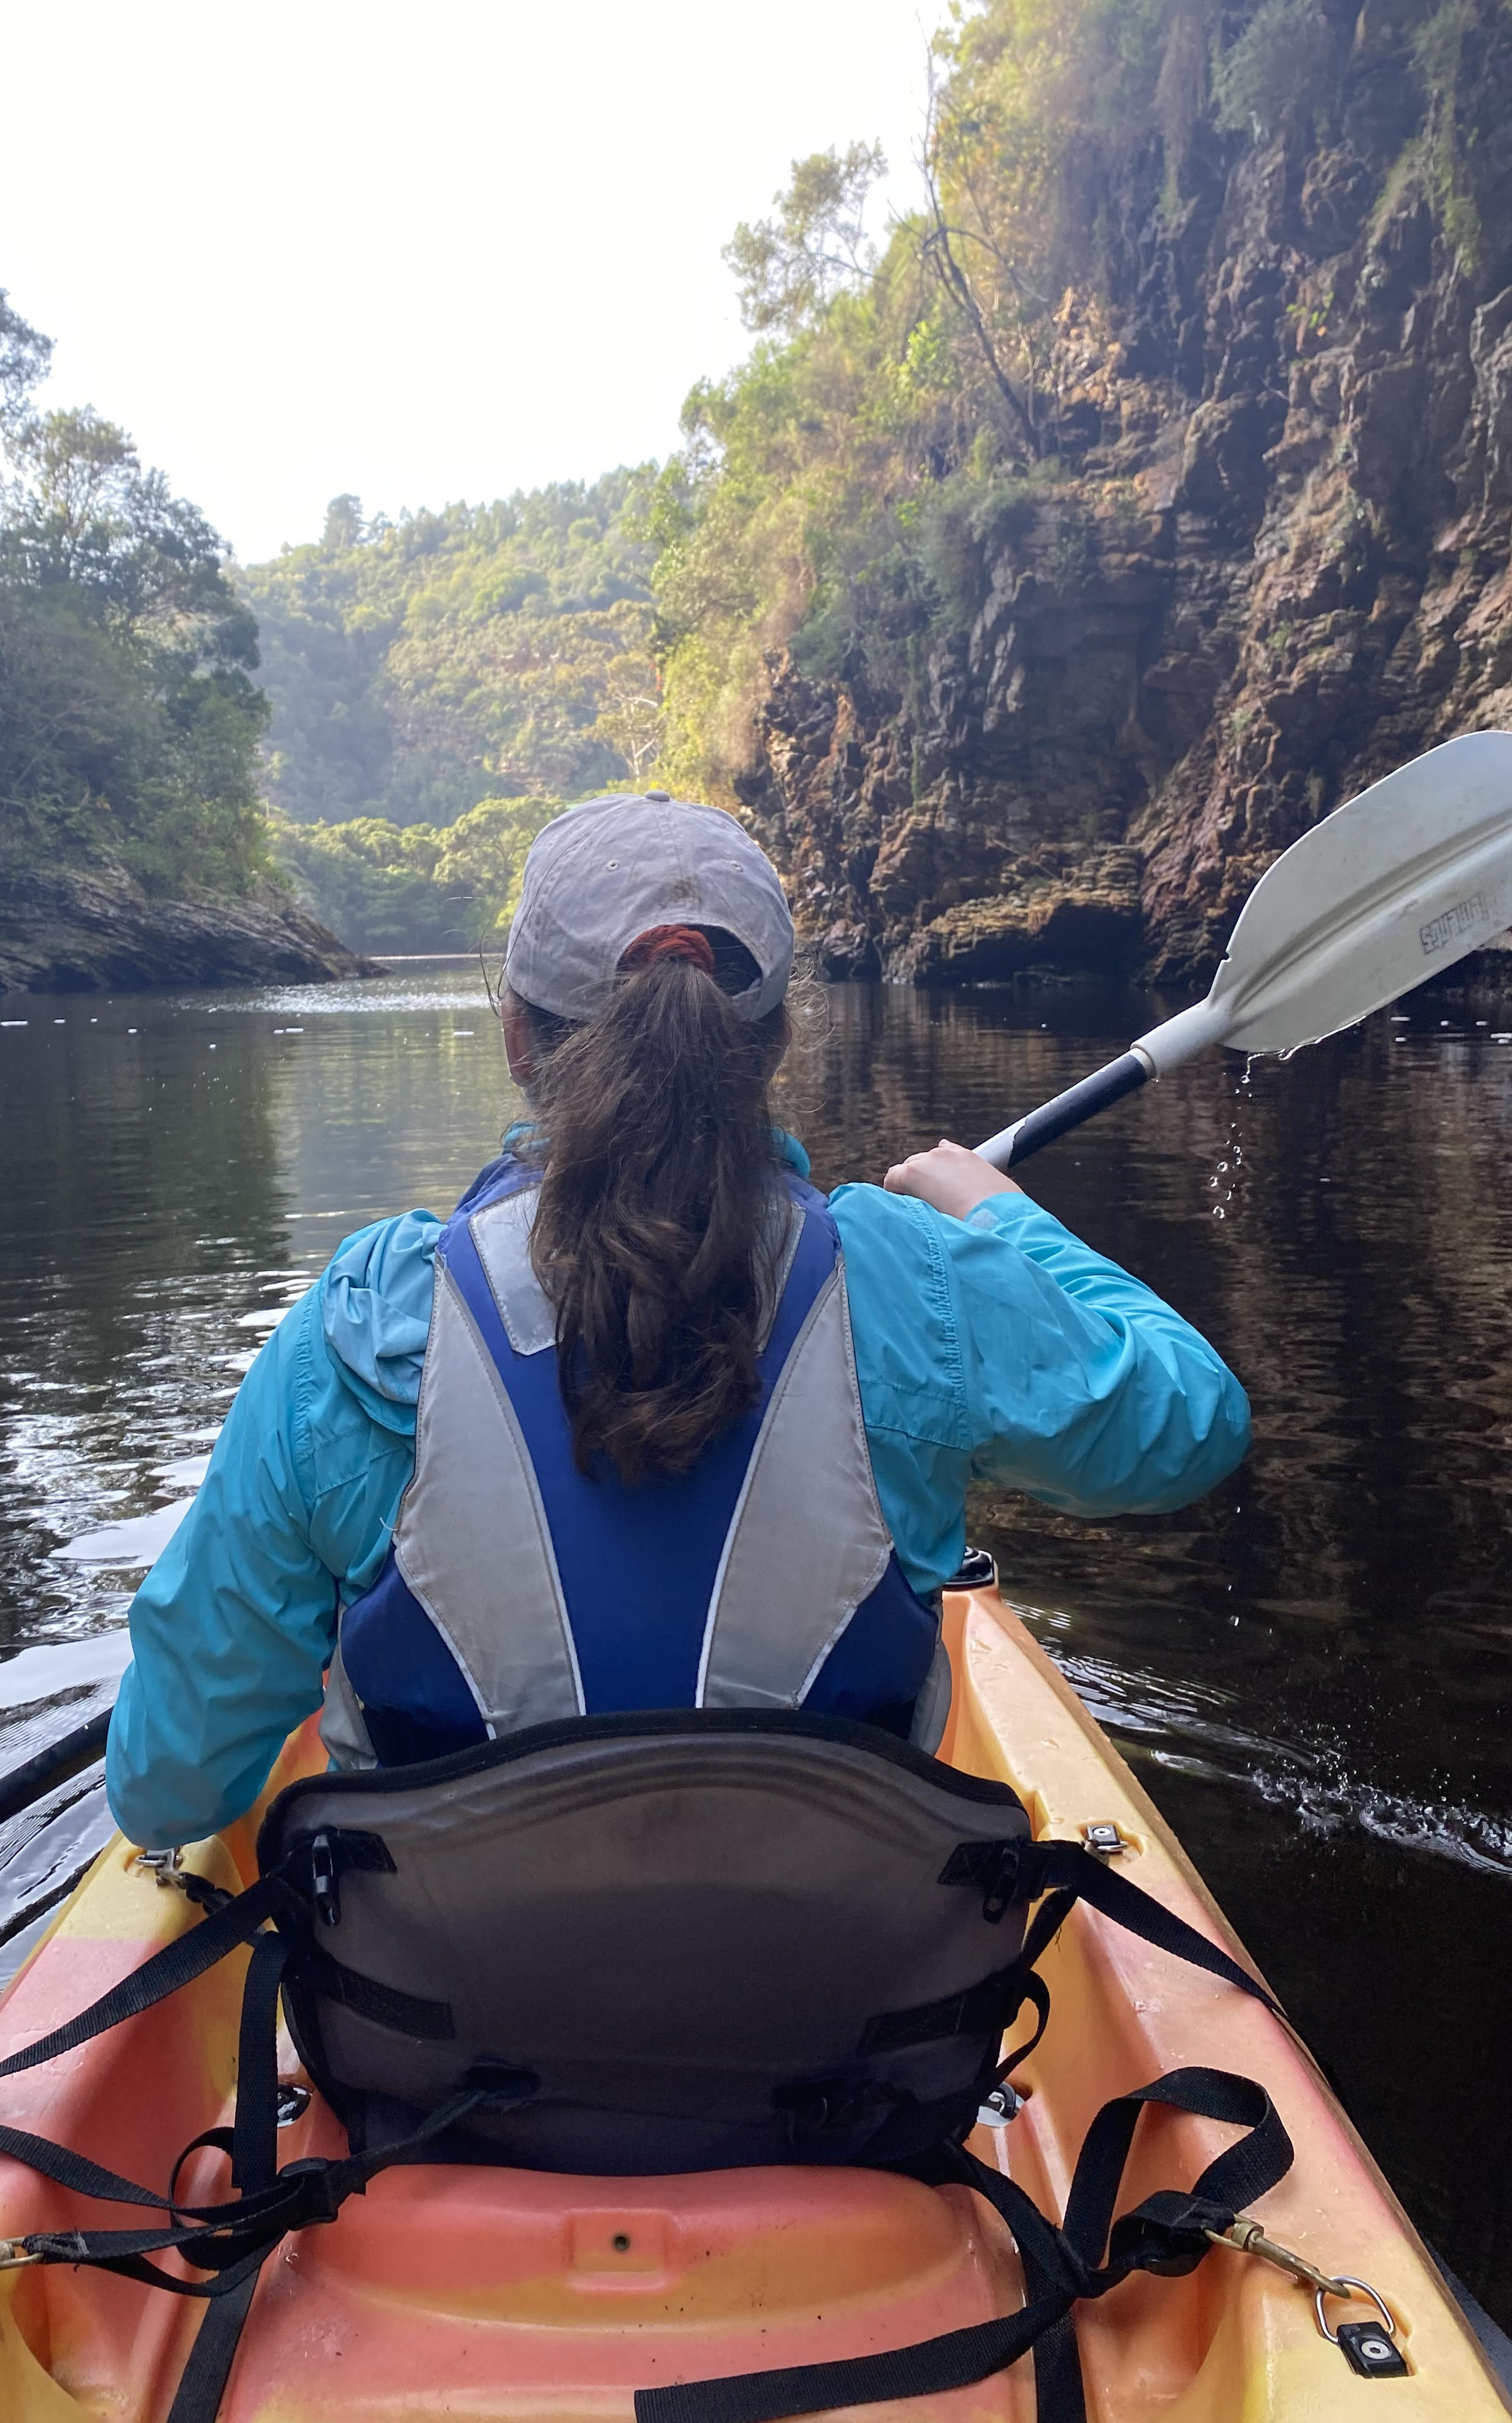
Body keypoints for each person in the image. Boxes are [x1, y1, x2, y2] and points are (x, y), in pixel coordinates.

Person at [106, 792, 1248, 1849]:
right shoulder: (908, 1282)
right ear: (775, 1043)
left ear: (516, 1036)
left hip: (445, 2054)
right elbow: (1188, 1422)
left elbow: (170, 1793)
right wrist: (1004, 1221)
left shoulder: (362, 1326)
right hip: (847, 2047)